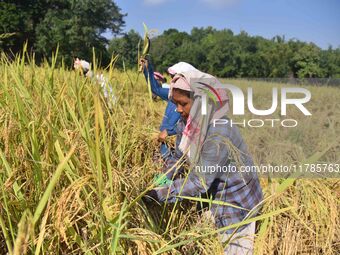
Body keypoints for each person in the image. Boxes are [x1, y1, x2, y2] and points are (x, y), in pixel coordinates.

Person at [142, 68, 263, 254]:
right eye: (175, 103)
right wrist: (159, 183)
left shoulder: (218, 131)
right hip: (211, 195)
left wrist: (160, 195)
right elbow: (176, 161)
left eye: (183, 103)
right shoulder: (188, 122)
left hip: (235, 202)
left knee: (233, 248)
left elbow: (200, 181)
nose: (178, 109)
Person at [140, 58, 196, 161]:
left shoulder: (193, 101)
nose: (172, 81)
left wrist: (169, 132)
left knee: (172, 167)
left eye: (175, 78)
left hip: (176, 145)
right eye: (172, 78)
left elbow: (190, 126)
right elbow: (156, 89)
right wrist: (147, 69)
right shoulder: (172, 94)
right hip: (164, 142)